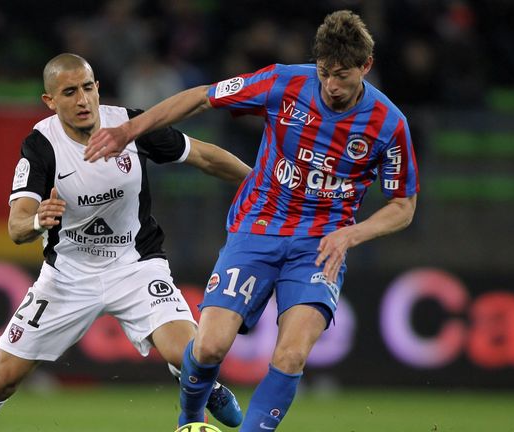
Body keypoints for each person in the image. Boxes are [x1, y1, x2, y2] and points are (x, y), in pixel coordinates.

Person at [86, 10, 420, 432]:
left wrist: (353, 233)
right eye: (325, 73)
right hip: (257, 227)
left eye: (343, 76)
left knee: (291, 355)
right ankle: (190, 418)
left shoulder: (389, 124)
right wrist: (131, 129)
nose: (332, 86)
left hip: (320, 247)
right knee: (208, 347)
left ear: (366, 67)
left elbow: (403, 206)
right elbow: (204, 96)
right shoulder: (285, 82)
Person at [0, 53, 250, 432]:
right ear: (50, 101)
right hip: (68, 276)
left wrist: (260, 184)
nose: (82, 100)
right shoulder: (41, 145)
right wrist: (40, 219)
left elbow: (203, 156)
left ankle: (201, 379)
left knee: (189, 351)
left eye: (88, 88)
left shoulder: (128, 125)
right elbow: (16, 226)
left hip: (135, 265)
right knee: (2, 378)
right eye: (69, 92)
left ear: (97, 88)